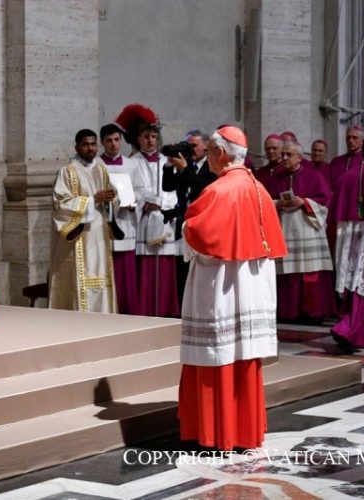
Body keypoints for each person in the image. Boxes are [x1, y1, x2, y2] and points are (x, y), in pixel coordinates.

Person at [178, 126, 287, 450]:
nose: (208, 158)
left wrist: (185, 227)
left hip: (223, 287)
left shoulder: (219, 190)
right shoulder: (258, 187)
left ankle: (216, 432)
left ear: (221, 153)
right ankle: (244, 430)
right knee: (243, 355)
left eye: (211, 151)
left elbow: (198, 234)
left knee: (220, 351)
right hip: (251, 287)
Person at [116, 103, 179, 317]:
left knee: (165, 268)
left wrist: (162, 203)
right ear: (137, 139)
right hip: (143, 222)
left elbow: (175, 191)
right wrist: (142, 202)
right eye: (146, 137)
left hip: (164, 220)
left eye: (153, 136)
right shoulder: (131, 163)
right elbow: (130, 191)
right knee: (144, 269)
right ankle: (145, 312)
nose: (150, 140)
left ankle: (166, 312)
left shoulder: (168, 162)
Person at [49, 129, 118, 313]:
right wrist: (93, 200)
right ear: (77, 147)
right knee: (79, 279)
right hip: (79, 236)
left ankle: (103, 317)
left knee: (101, 275)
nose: (90, 148)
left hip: (99, 235)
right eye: (86, 145)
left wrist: (112, 200)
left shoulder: (102, 170)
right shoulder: (67, 172)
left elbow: (112, 199)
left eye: (93, 144)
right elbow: (60, 204)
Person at [268, 142, 336, 323]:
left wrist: (304, 202)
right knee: (287, 275)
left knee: (309, 273)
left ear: (299, 157)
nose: (284, 158)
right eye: (283, 154)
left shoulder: (314, 176)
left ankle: (312, 314)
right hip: (285, 230)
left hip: (308, 230)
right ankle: (288, 313)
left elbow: (326, 203)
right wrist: (277, 203)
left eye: (288, 155)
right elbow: (265, 202)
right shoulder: (276, 178)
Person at [328, 132, 364, 352]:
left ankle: (361, 331)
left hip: (352, 240)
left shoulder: (349, 175)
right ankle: (349, 329)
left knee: (357, 283)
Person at [162, 128, 217, 307]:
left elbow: (206, 188)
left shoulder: (212, 165)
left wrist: (184, 169)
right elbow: (167, 186)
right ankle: (184, 311)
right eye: (187, 145)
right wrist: (169, 164)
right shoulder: (186, 165)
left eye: (193, 146)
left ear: (206, 147)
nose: (189, 149)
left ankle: (200, 309)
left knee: (199, 272)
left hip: (203, 226)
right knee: (182, 271)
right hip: (183, 226)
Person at [99, 123, 140, 314]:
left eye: (116, 140)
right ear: (102, 142)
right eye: (109, 140)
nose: (113, 144)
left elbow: (139, 190)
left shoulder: (131, 164)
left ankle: (128, 310)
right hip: (104, 222)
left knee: (126, 272)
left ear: (121, 140)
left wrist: (134, 203)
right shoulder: (97, 165)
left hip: (125, 220)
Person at [329, 126, 364, 192]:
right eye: (348, 137)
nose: (350, 140)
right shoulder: (336, 162)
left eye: (354, 138)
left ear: (362, 140)